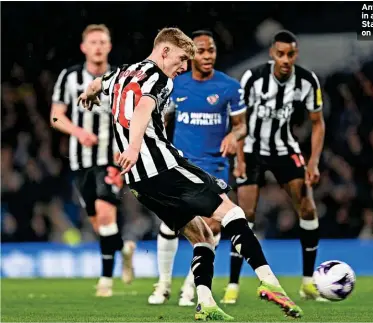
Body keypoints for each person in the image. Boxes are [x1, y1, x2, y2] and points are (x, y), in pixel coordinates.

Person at [78, 27, 303, 320]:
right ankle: (271, 284)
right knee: (233, 214)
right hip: (163, 167)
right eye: (182, 58)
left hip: (139, 183)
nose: (184, 67)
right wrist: (133, 147)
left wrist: (88, 92)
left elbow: (99, 82)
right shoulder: (160, 78)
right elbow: (145, 106)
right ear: (165, 51)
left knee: (203, 235)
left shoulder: (122, 74)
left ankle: (205, 303)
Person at [221, 30, 327, 304]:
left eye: (290, 54)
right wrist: (241, 160)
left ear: (296, 54)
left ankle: (307, 283)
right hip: (253, 148)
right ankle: (232, 284)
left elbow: (317, 122)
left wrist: (313, 162)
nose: (285, 59)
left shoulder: (306, 81)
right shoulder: (253, 78)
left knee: (307, 206)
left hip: (284, 149)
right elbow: (238, 122)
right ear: (272, 53)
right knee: (244, 215)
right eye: (280, 53)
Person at [147, 30, 247, 307]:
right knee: (170, 224)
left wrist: (234, 136)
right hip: (181, 165)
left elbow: (242, 126)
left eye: (211, 50)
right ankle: (164, 284)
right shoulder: (175, 85)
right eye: (201, 51)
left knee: (212, 227)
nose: (207, 56)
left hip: (215, 166)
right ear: (191, 55)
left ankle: (192, 287)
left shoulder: (229, 87)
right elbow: (162, 123)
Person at [50, 24, 135, 297]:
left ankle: (106, 280)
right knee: (99, 223)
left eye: (102, 41)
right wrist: (78, 132)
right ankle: (123, 250)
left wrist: (126, 150)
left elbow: (133, 117)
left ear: (109, 46)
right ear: (84, 48)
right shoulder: (70, 77)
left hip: (111, 158)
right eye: (93, 42)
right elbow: (55, 116)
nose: (98, 46)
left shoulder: (121, 78)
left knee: (106, 211)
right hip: (80, 161)